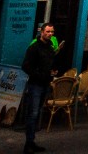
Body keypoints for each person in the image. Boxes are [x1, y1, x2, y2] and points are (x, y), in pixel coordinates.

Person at [21, 22, 57, 153]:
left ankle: (32, 141)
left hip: (45, 84)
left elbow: (50, 64)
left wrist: (53, 71)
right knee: (33, 113)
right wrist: (40, 75)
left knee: (38, 113)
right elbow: (25, 66)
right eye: (47, 31)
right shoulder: (34, 48)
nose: (50, 34)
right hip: (35, 84)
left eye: (52, 32)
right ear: (42, 32)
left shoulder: (50, 48)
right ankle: (28, 143)